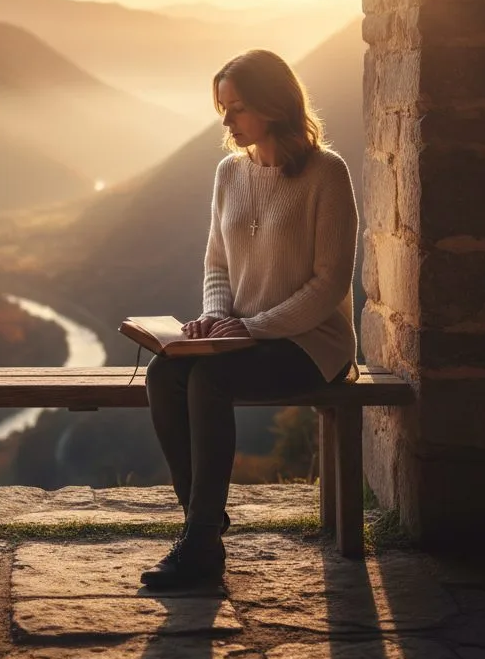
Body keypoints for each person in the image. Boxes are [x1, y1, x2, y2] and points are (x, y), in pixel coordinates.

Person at [141, 49, 358, 590]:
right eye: (222, 107)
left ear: (273, 103)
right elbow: (217, 261)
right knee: (163, 375)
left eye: (237, 107)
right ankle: (204, 525)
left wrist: (251, 328)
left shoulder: (327, 174)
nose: (226, 120)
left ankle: (198, 542)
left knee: (211, 378)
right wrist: (215, 317)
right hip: (243, 338)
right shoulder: (229, 173)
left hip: (312, 344)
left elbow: (330, 284)